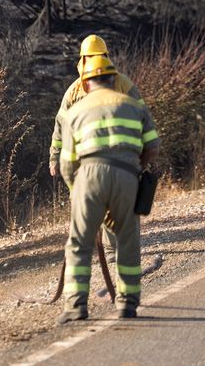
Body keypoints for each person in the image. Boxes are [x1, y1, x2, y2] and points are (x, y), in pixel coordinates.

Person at [52, 53, 160, 323]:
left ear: (86, 83)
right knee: (127, 240)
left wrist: (79, 193)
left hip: (88, 176)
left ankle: (76, 307)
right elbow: (153, 145)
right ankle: (127, 304)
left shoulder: (75, 111)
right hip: (127, 176)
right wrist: (137, 170)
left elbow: (67, 164)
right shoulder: (132, 105)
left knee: (79, 243)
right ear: (113, 79)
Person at [48, 35, 146, 281]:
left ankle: (115, 253)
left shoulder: (122, 83)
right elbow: (60, 126)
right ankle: (109, 252)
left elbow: (141, 113)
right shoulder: (74, 92)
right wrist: (54, 157)